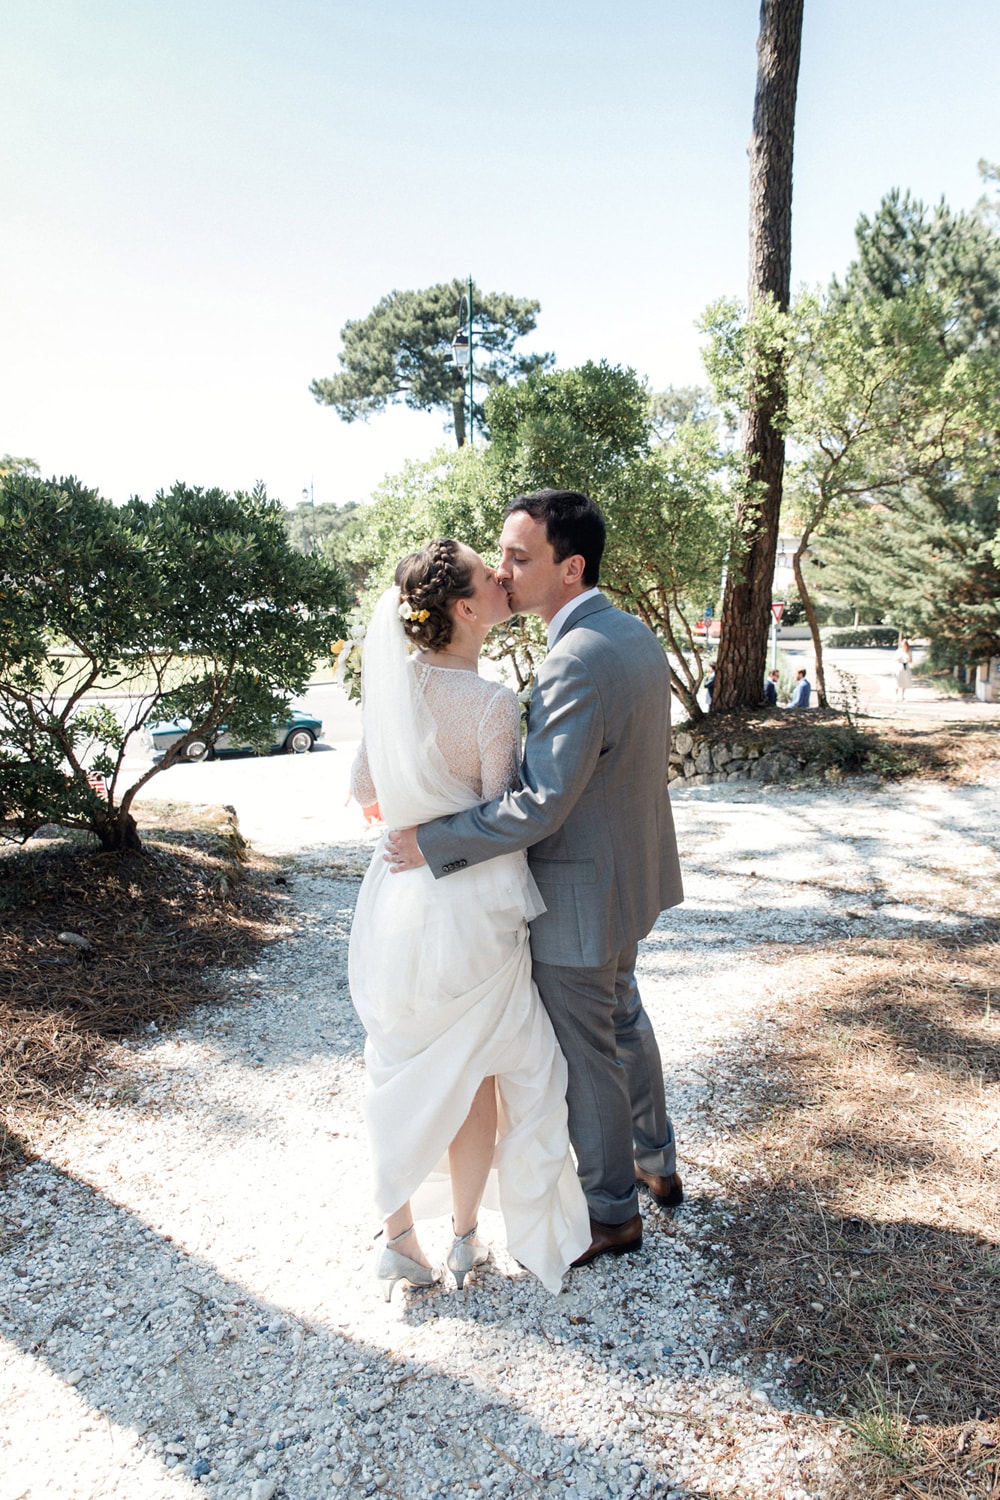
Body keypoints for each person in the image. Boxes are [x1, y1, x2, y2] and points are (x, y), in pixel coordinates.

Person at [386, 490, 684, 1268]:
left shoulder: (574, 658)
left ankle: (612, 1213)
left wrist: (434, 840)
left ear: (570, 566)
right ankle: (657, 1160)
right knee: (622, 1016)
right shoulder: (633, 634)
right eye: (502, 557)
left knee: (589, 1052)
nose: (506, 573)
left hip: (581, 896)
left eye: (520, 558)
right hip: (631, 877)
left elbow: (541, 805)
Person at [348, 539, 590, 1300]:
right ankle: (461, 1239)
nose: (502, 581)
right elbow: (502, 811)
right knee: (477, 1074)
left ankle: (397, 1239)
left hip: (396, 901)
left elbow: (363, 787)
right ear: (463, 610)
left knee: (398, 1063)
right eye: (490, 577)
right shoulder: (488, 703)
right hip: (472, 907)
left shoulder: (394, 693)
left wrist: (413, 815)